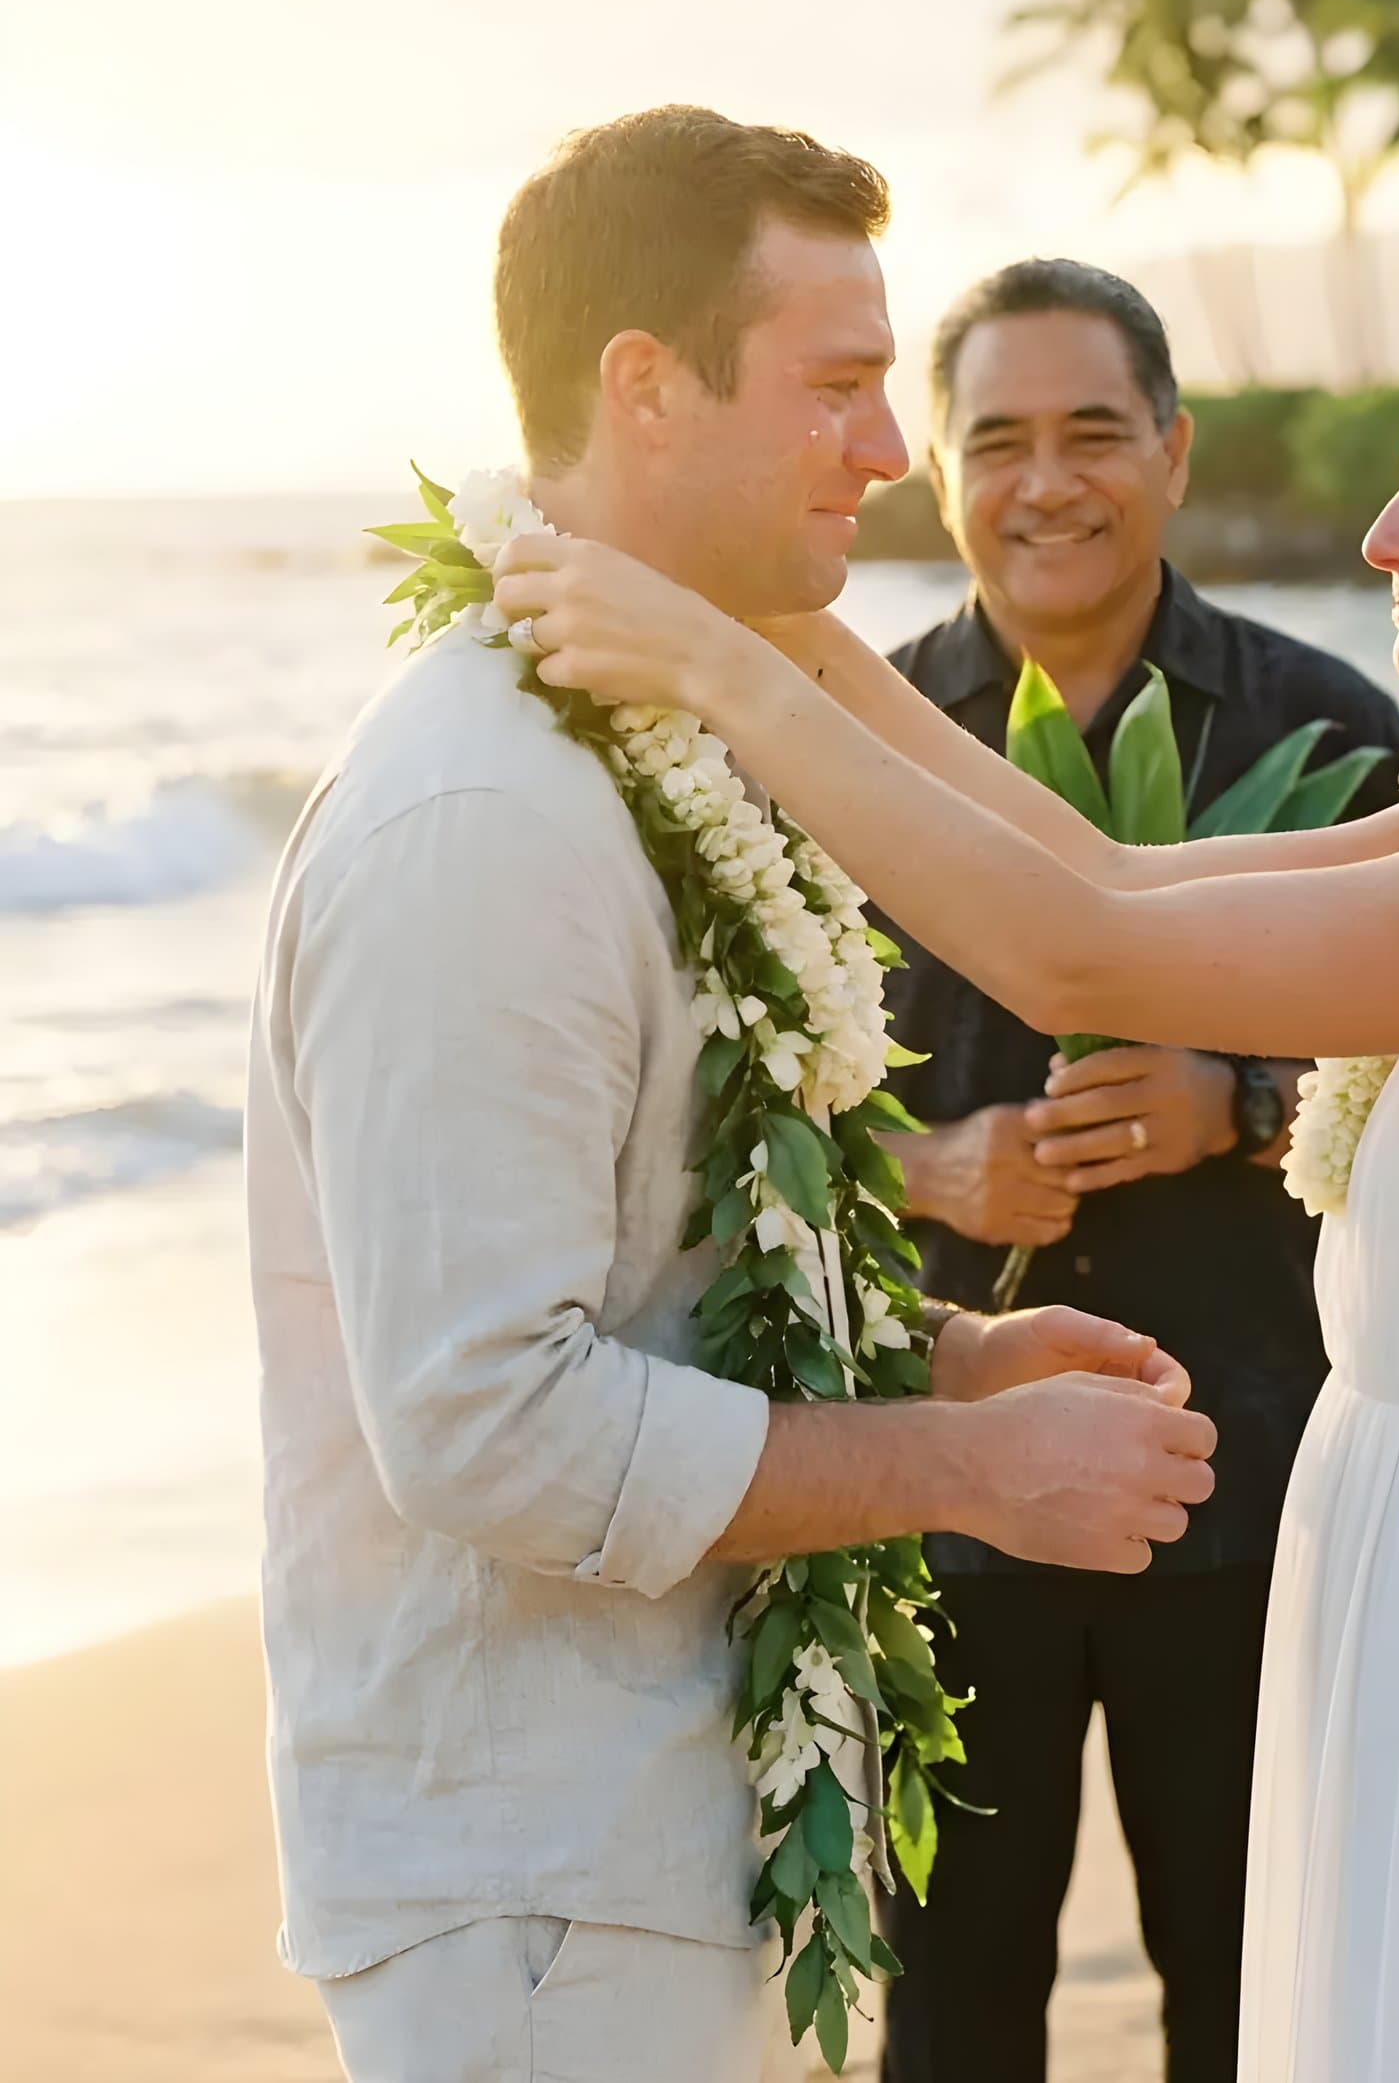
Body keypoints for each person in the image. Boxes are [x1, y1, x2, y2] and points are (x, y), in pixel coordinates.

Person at [498, 274, 1399, 2083]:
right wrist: (788, 625)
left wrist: (707, 672)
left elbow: (1078, 961)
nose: (1386, 535)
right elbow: (1115, 875)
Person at [244, 106, 1218, 2083]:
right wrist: (967, 1475)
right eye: (843, 385)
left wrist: (936, 1353)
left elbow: (657, 1271)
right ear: (646, 387)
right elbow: (485, 1418)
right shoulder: (481, 816)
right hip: (531, 1863)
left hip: (655, 1825)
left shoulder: (642, 742)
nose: (890, 450)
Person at [866, 258, 1399, 2083]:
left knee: (1257, 1995)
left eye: (1093, 432)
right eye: (995, 440)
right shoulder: (855, 745)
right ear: (934, 472)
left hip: (1251, 1475)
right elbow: (723, 1107)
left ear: (1172, 453)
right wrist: (928, 1167)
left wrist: (1243, 1098)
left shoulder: (1329, 736)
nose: (1047, 482)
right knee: (951, 2011)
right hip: (944, 1487)